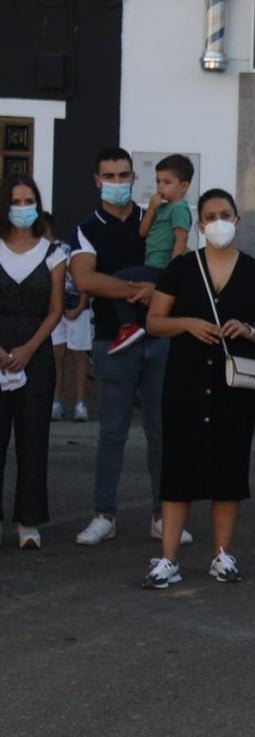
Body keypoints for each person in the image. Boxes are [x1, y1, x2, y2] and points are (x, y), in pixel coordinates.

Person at [141, 189, 255, 589]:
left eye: (226, 214)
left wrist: (250, 329)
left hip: (233, 383)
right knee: (178, 465)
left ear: (236, 220)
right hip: (184, 380)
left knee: (229, 464)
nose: (218, 221)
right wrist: (187, 324)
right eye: (210, 216)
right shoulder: (182, 269)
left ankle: (222, 554)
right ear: (199, 225)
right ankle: (168, 558)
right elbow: (154, 321)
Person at [70, 146, 192, 546]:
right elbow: (86, 279)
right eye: (110, 176)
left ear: (134, 179)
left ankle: (162, 516)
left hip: (159, 338)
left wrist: (156, 288)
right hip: (113, 341)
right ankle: (104, 514)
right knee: (112, 433)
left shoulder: (154, 216)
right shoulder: (88, 227)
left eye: (124, 175)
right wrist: (141, 289)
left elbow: (178, 266)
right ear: (96, 180)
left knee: (162, 432)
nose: (118, 183)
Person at [0, 174, 65, 549]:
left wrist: (27, 349)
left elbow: (56, 309)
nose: (23, 208)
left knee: (33, 438)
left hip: (35, 354)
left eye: (29, 201)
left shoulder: (54, 252)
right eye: (16, 201)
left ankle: (30, 522)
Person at [107, 154, 193, 355]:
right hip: (151, 264)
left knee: (118, 280)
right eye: (158, 181)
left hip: (161, 267)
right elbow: (142, 232)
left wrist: (172, 273)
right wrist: (152, 208)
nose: (160, 187)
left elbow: (181, 240)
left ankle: (128, 326)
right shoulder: (162, 208)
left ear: (184, 186)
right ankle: (134, 325)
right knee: (130, 286)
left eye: (167, 182)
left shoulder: (180, 208)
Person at [43, 212, 92, 422]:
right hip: (54, 312)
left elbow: (82, 277)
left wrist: (81, 305)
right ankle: (55, 401)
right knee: (56, 356)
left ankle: (80, 403)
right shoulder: (36, 253)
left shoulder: (63, 250)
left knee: (78, 356)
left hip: (75, 308)